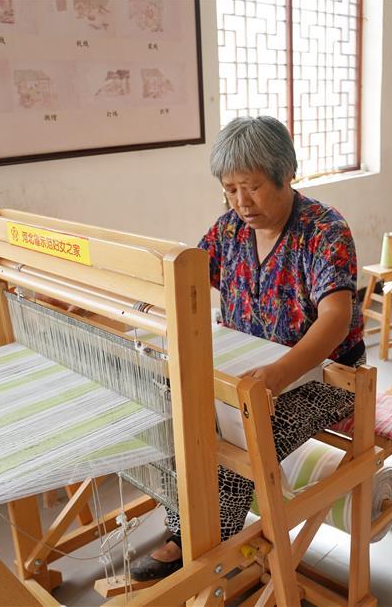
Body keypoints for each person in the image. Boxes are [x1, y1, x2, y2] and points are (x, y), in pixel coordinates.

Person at [130, 115, 366, 581]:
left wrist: (279, 373)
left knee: (234, 436)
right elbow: (188, 281)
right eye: (231, 189)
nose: (242, 202)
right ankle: (191, 530)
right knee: (176, 414)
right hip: (242, 371)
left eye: (252, 187)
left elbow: (336, 319)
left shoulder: (324, 230)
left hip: (324, 378)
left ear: (286, 173)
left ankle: (212, 548)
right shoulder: (229, 230)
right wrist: (137, 305)